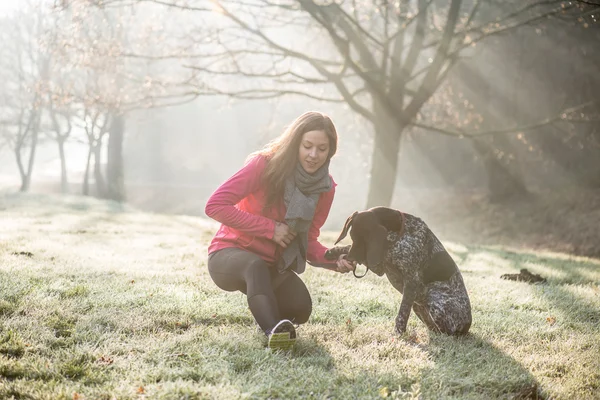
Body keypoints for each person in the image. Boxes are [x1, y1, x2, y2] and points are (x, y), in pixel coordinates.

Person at [204, 111, 355, 351]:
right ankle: (273, 331)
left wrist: (333, 260)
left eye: (322, 149)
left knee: (300, 308)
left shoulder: (325, 188)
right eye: (307, 146)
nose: (313, 155)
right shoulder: (264, 165)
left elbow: (308, 241)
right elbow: (215, 205)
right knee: (254, 266)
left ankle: (268, 315)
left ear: (330, 151)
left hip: (270, 266)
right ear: (295, 143)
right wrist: (270, 229)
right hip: (228, 255)